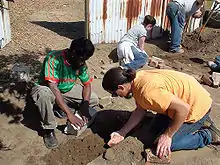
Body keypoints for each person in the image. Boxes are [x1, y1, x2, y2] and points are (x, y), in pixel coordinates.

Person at [102, 67, 219, 162]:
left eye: (115, 94)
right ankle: (196, 123)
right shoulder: (136, 80)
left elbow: (184, 109)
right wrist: (122, 133)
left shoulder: (148, 92)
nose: (116, 96)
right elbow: (140, 110)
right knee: (151, 134)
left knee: (164, 145)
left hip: (193, 108)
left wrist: (168, 136)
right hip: (178, 103)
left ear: (121, 87)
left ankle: (207, 135)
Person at [31, 37, 99, 149]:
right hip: (49, 90)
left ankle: (58, 108)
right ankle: (49, 129)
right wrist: (69, 114)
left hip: (66, 91)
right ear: (72, 53)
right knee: (43, 94)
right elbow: (53, 87)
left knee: (93, 99)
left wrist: (85, 105)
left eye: (85, 59)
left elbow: (87, 84)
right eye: (81, 59)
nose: (83, 62)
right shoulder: (53, 59)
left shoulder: (80, 63)